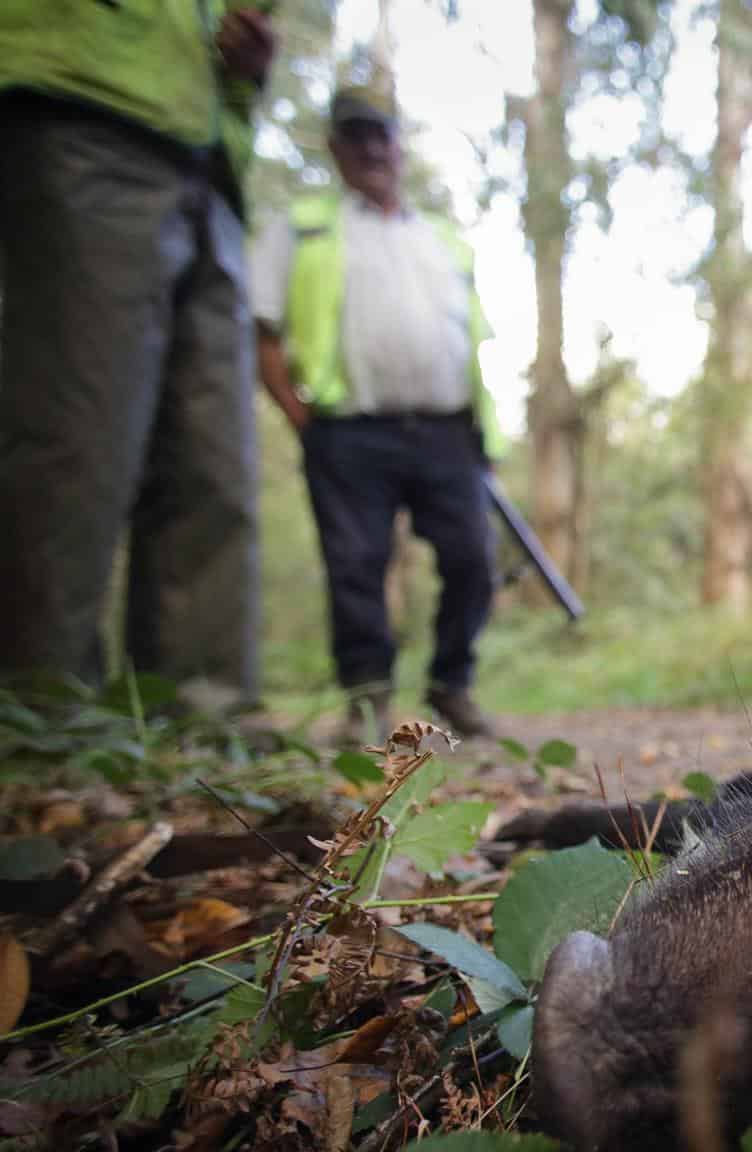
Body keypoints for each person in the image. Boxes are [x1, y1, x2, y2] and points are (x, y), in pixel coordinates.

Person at [0, 3, 276, 710]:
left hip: (212, 160)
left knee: (215, 470)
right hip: (78, 97)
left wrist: (246, 75)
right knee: (79, 435)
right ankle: (41, 719)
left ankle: (204, 725)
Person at [250, 86, 504, 739]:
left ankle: (452, 685)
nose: (370, 149)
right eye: (354, 137)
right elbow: (264, 331)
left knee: (474, 556)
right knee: (356, 564)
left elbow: (474, 340)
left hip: (447, 429)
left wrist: (484, 430)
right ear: (335, 150)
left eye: (380, 135)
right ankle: (367, 701)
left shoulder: (443, 238)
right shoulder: (303, 226)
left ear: (398, 145)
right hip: (347, 431)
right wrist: (297, 415)